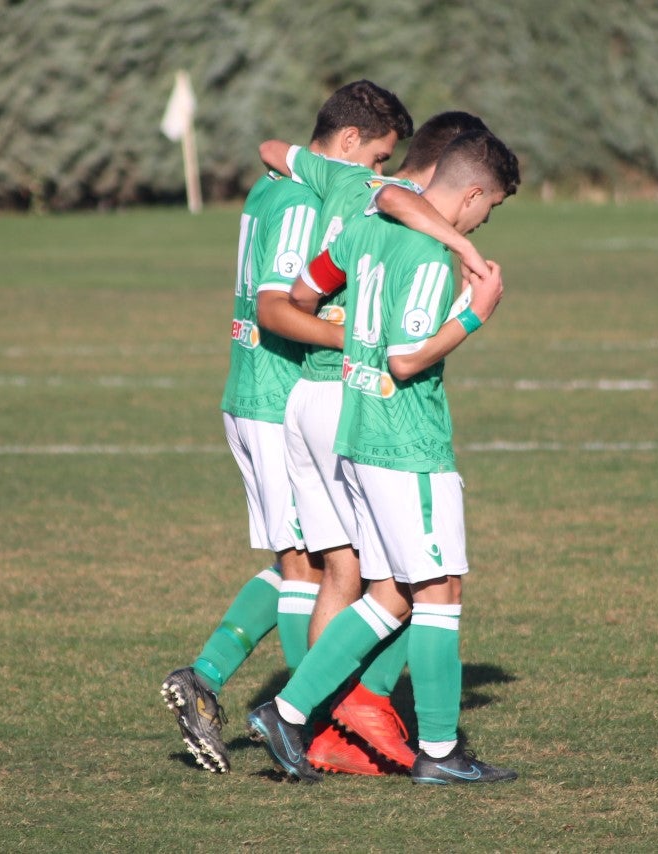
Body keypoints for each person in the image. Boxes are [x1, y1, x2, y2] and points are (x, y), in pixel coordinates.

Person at [247, 130, 522, 785]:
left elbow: (307, 289)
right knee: (439, 590)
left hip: (357, 429)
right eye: (492, 209)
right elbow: (407, 358)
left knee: (393, 592)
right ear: (475, 193)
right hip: (406, 440)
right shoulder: (427, 253)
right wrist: (477, 314)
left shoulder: (371, 219)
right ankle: (438, 752)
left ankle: (288, 712)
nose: (486, 221)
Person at [160, 80, 414, 774]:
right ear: (351, 141)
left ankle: (209, 677)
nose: (380, 175)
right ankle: (315, 728)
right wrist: (355, 342)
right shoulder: (305, 201)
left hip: (252, 391)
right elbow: (277, 305)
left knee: (298, 559)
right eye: (381, 158)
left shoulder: (272, 185)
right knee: (324, 566)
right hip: (276, 395)